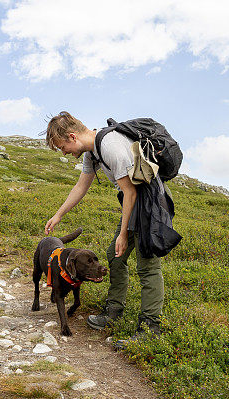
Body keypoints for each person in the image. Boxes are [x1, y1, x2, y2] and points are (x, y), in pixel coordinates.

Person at [44, 111, 163, 337]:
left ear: (71, 136)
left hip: (149, 206)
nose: (65, 152)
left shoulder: (110, 146)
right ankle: (114, 310)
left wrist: (124, 235)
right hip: (134, 204)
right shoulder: (93, 153)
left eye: (62, 147)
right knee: (115, 256)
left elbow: (130, 192)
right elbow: (80, 187)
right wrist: (59, 214)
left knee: (147, 266)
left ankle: (150, 327)